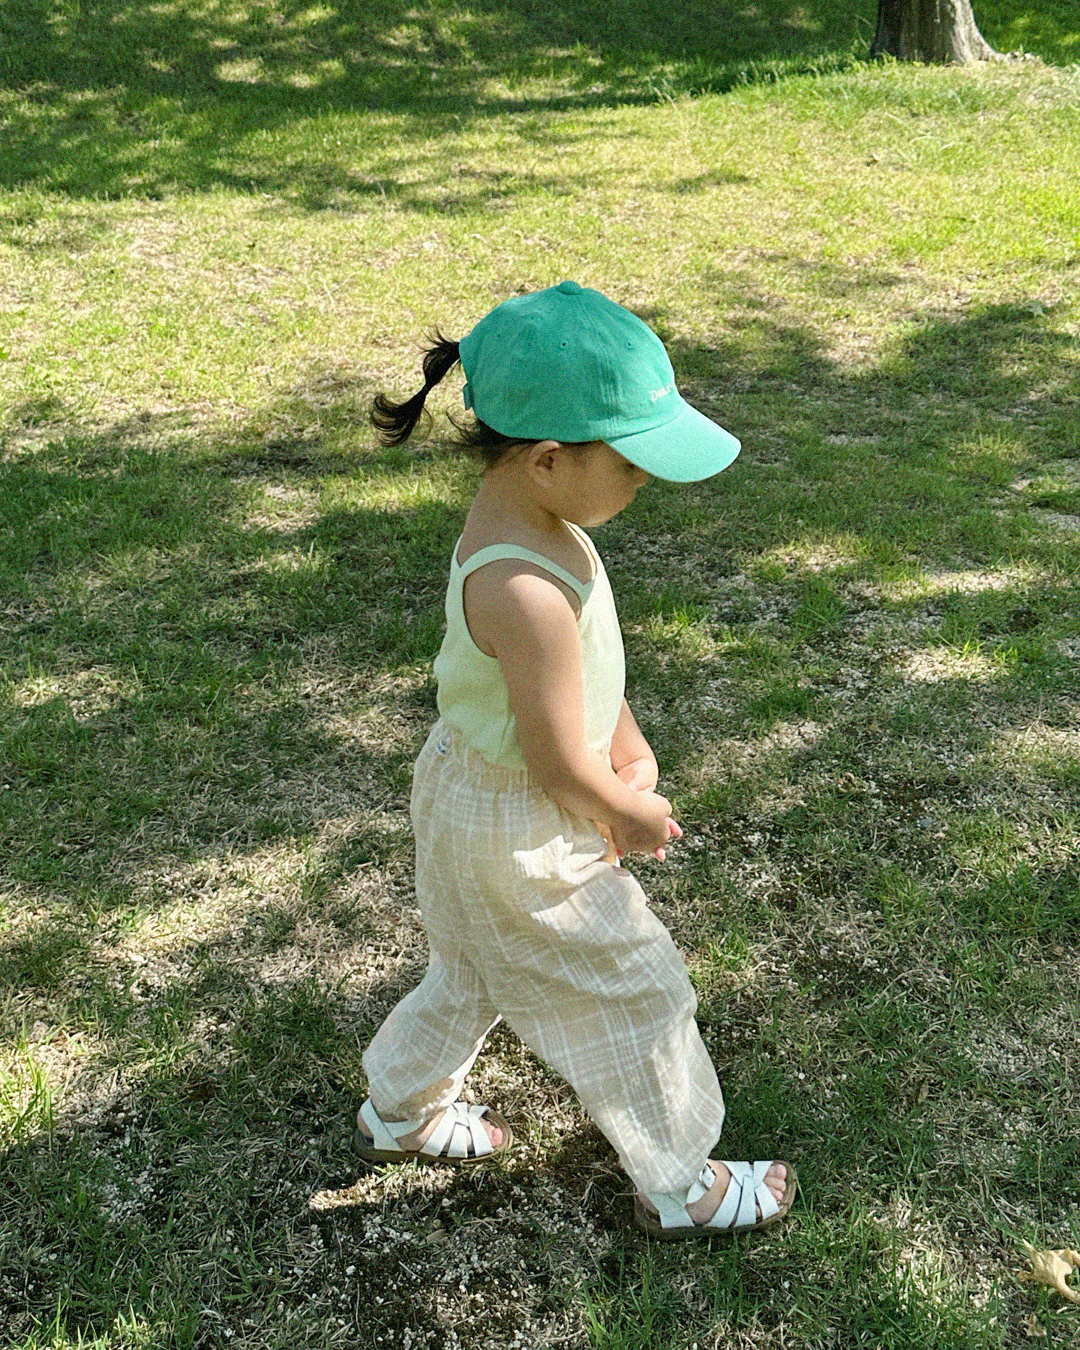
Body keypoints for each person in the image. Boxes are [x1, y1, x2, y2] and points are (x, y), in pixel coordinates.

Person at [356, 281, 796, 1238]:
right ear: (550, 459)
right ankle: (679, 1185)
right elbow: (558, 767)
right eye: (632, 466)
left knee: (472, 967)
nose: (643, 484)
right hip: (523, 828)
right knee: (638, 991)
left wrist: (622, 737)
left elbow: (570, 685)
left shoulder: (533, 524)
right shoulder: (525, 588)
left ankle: (399, 1111)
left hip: (475, 800)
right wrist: (629, 811)